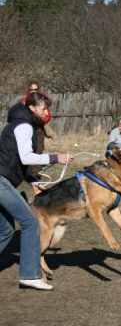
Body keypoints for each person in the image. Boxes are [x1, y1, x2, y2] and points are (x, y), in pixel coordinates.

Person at [0, 92, 74, 290]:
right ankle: (30, 275)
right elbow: (26, 157)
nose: (46, 112)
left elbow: (15, 161)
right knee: (30, 222)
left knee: (6, 230)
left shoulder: (22, 123)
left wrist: (32, 180)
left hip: (3, 180)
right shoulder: (24, 126)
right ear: (32, 108)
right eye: (43, 108)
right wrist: (55, 158)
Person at [21, 81, 51, 184]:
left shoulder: (42, 101)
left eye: (35, 89)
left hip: (38, 128)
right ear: (28, 90)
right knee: (28, 149)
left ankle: (36, 173)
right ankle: (27, 172)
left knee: (39, 148)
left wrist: (40, 121)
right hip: (29, 127)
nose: (33, 91)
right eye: (31, 89)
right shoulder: (24, 102)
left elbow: (47, 116)